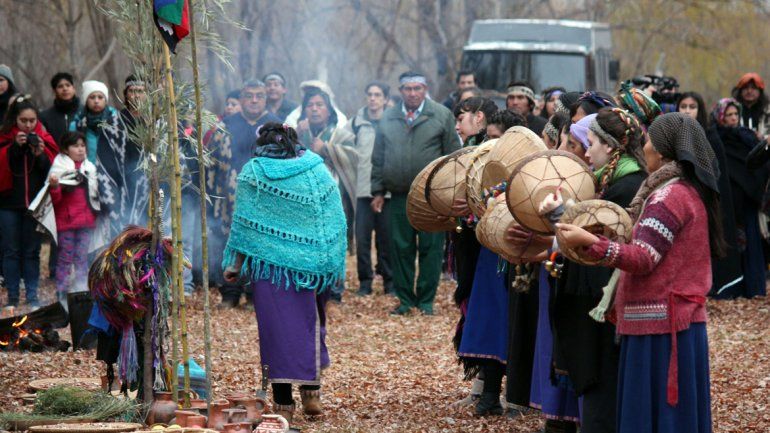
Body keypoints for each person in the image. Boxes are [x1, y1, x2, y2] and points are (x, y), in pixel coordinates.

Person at [556, 112, 720, 433]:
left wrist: (591, 243)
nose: (642, 146)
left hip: (661, 330)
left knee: (659, 419)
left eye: (647, 140)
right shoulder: (679, 191)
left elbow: (644, 257)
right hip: (670, 323)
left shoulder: (668, 197)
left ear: (660, 150)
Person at [221, 123, 346, 426]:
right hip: (312, 267)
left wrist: (235, 264)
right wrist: (332, 264)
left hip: (271, 269)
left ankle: (284, 403)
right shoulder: (316, 170)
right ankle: (312, 393)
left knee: (277, 331)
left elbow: (245, 226)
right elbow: (334, 220)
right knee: (310, 325)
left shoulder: (254, 172)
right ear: (295, 143)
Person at [550, 108, 647, 433]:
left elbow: (601, 249)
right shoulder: (610, 182)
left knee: (604, 400)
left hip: (607, 312)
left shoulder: (626, 188)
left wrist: (561, 219)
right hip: (599, 309)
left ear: (612, 146)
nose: (586, 151)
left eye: (590, 143)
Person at [371, 71, 461, 315]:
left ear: (425, 89)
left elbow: (453, 156)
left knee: (431, 249)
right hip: (399, 194)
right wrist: (377, 190)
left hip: (432, 196)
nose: (412, 93)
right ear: (400, 91)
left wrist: (451, 192)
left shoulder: (441, 115)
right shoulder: (388, 117)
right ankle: (405, 300)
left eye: (417, 88)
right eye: (407, 89)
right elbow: (378, 156)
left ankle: (426, 300)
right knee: (401, 247)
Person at [208, 79, 281, 308]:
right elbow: (211, 163)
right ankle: (230, 293)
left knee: (260, 246)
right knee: (228, 243)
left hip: (264, 199)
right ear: (241, 99)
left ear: (265, 98)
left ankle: (254, 294)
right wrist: (212, 198)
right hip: (230, 198)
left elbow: (286, 162)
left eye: (259, 96)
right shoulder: (226, 125)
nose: (254, 100)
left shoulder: (276, 126)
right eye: (249, 96)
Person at [677, 92, 744, 298]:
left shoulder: (710, 135)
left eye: (692, 106)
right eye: (683, 106)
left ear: (700, 110)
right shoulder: (673, 135)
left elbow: (717, 175)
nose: (688, 111)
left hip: (707, 200)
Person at [296, 87, 357, 297]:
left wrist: (327, 149)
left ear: (329, 111)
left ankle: (334, 288)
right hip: (304, 200)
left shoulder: (340, 134)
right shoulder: (297, 134)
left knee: (334, 241)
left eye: (319, 105)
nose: (314, 109)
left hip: (334, 198)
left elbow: (353, 156)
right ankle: (308, 283)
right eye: (310, 105)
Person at [0, 96, 58, 311]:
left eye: (32, 120)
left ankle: (33, 296)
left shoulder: (44, 138)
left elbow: (52, 171)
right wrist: (15, 148)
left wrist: (40, 154)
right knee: (11, 250)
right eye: (23, 120)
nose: (28, 125)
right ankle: (13, 297)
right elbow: (3, 168)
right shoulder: (5, 137)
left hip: (34, 205)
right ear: (15, 119)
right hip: (8, 204)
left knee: (32, 251)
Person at [711, 98, 767, 298]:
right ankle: (732, 288)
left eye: (736, 114)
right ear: (720, 117)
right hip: (728, 202)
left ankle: (753, 287)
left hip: (747, 200)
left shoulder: (747, 137)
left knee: (751, 243)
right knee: (730, 242)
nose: (733, 118)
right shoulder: (716, 139)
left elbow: (758, 165)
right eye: (729, 115)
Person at [346, 81, 393, 296]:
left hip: (388, 191)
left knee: (386, 239)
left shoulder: (393, 122)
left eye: (377, 95)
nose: (373, 98)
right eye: (370, 94)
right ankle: (365, 282)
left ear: (385, 98)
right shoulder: (355, 123)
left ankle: (389, 282)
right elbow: (344, 150)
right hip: (362, 190)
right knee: (363, 239)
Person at [70, 80, 130, 246]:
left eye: (100, 97)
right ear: (86, 100)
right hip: (85, 178)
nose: (96, 101)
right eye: (92, 97)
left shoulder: (117, 122)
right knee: (90, 224)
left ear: (106, 99)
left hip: (112, 178)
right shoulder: (78, 123)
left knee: (111, 219)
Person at [47, 131, 99, 305]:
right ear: (65, 149)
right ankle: (62, 292)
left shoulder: (90, 168)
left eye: (82, 145)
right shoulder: (59, 169)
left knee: (82, 257)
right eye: (75, 146)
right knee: (65, 258)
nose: (80, 149)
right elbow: (55, 200)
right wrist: (54, 186)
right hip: (67, 222)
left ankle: (81, 290)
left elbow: (96, 195)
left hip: (86, 221)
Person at [119, 75, 149, 227]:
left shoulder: (154, 120)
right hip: (124, 182)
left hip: (150, 182)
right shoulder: (117, 120)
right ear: (126, 94)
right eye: (132, 91)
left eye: (140, 91)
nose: (136, 95)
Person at [40, 72, 82, 145]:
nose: (65, 89)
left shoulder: (86, 111)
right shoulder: (45, 117)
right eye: (60, 86)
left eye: (68, 85)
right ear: (54, 91)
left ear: (73, 88)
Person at [284, 80, 348, 128]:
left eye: (319, 104)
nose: (314, 109)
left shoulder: (340, 118)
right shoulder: (294, 115)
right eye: (309, 92)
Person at [732, 72, 770, 140]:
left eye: (753, 88)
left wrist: (763, 137)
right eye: (745, 88)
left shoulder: (768, 111)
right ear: (740, 91)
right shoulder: (732, 110)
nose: (749, 91)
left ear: (760, 91)